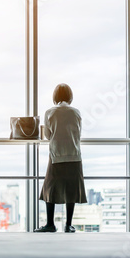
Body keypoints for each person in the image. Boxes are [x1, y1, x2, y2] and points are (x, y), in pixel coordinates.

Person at [34, 83, 87, 233]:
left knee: (49, 189)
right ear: (70, 96)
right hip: (74, 154)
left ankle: (50, 224)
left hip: (56, 155)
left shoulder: (50, 112)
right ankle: (68, 225)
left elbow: (48, 135)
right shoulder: (76, 112)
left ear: (55, 96)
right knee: (71, 189)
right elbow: (79, 133)